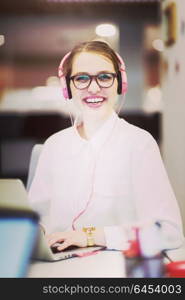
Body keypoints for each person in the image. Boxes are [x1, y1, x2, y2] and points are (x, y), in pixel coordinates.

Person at [28, 40, 184, 253]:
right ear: (68, 87)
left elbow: (168, 232)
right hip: (55, 267)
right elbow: (33, 220)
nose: (94, 87)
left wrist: (91, 236)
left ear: (120, 83)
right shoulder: (54, 146)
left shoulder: (139, 143)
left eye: (104, 77)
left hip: (115, 268)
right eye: (81, 78)